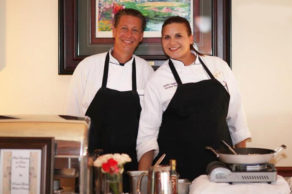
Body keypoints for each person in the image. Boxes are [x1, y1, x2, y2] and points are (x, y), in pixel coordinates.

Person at [136, 16, 251, 181]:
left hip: (220, 168)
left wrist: (243, 168)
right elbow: (147, 134)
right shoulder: (157, 80)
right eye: (166, 37)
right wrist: (142, 180)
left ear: (190, 38)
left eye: (178, 36)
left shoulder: (218, 66)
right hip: (178, 173)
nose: (172, 42)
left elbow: (237, 120)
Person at [66, 8, 154, 191]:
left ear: (141, 36)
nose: (128, 35)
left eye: (135, 30)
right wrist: (83, 167)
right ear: (113, 30)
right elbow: (73, 122)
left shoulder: (147, 72)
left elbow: (149, 130)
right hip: (92, 168)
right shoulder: (87, 67)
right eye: (124, 28)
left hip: (132, 169)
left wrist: (141, 179)